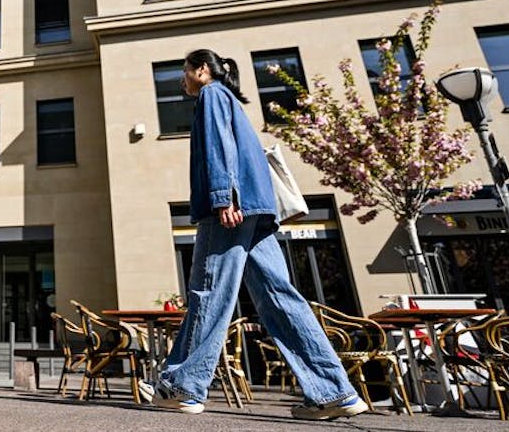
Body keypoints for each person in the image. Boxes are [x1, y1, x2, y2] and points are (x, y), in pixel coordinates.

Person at [142, 49, 367, 420]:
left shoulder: (212, 95)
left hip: (231, 209)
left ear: (202, 70)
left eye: (184, 72)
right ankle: (333, 392)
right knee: (279, 298)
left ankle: (184, 386)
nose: (182, 81)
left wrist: (222, 197)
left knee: (209, 291)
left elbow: (219, 148)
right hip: (257, 211)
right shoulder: (231, 101)